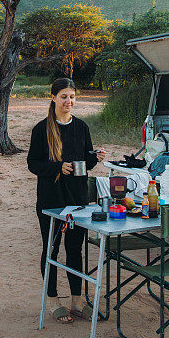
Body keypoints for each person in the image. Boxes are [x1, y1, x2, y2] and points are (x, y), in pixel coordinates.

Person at [27, 78, 106, 324]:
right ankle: (52, 301)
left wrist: (96, 157)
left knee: (75, 250)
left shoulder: (81, 127)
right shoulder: (41, 129)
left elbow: (86, 160)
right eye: (63, 96)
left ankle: (77, 301)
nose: (68, 101)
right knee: (51, 248)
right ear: (53, 98)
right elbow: (33, 163)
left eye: (72, 96)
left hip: (78, 199)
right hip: (51, 200)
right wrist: (57, 167)